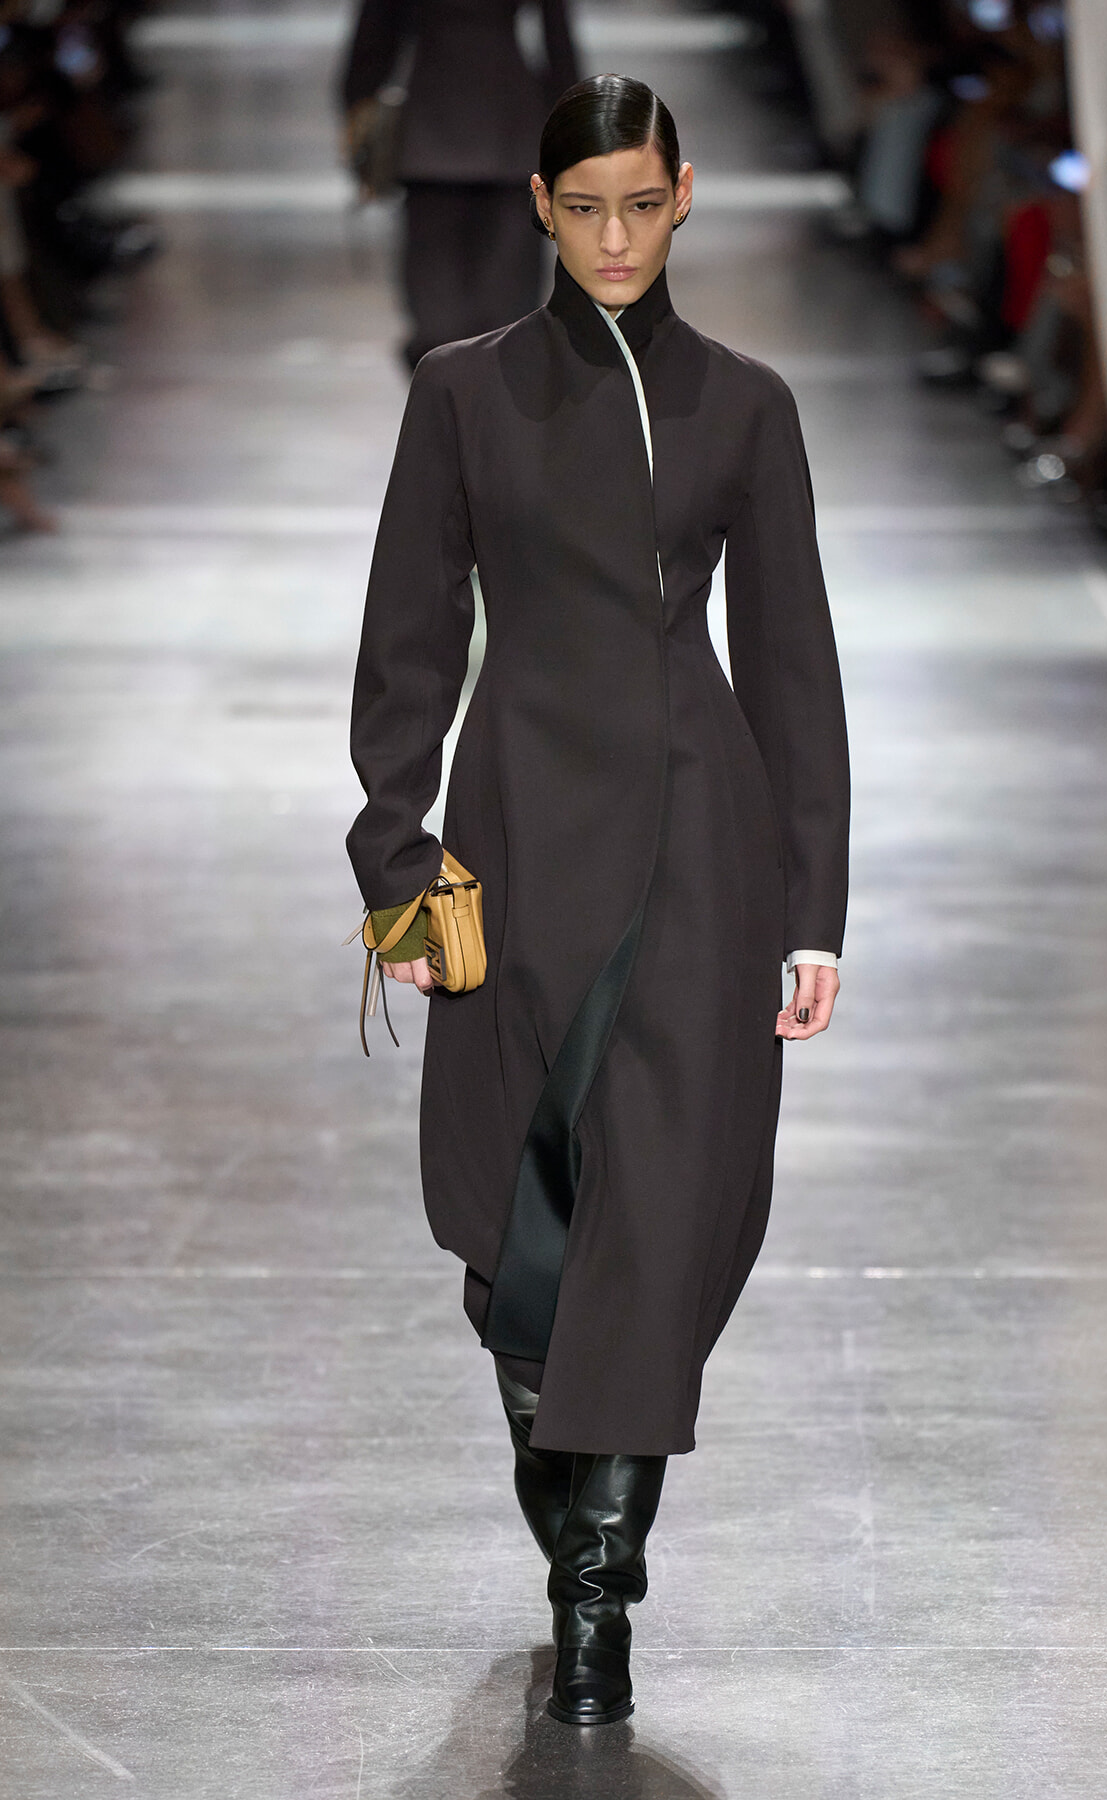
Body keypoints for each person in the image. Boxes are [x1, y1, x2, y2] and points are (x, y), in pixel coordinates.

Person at [346, 75, 850, 1728]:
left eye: (643, 204)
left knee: (661, 1203)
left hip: (699, 837)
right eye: (586, 208)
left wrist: (814, 908)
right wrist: (395, 854)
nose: (616, 238)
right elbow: (410, 633)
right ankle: (574, 1514)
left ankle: (595, 1599)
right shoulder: (464, 393)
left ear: (684, 196)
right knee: (513, 1217)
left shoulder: (747, 407)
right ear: (542, 209)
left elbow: (792, 663)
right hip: (512, 826)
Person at [340, 0, 578, 369]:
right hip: (510, 123)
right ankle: (487, 392)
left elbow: (374, 37)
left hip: (431, 126)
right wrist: (572, 121)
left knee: (437, 312)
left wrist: (359, 104)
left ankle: (447, 391)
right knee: (508, 305)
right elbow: (558, 39)